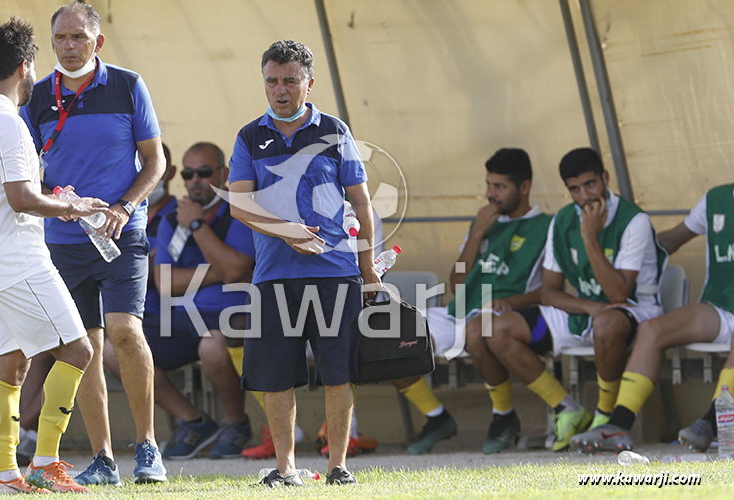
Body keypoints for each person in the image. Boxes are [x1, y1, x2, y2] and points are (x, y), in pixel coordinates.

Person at [0, 17, 107, 494]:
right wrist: (73, 205)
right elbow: (22, 199)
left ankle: (5, 474)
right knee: (79, 349)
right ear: (25, 67)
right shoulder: (8, 122)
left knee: (11, 363)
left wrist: (55, 201)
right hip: (17, 259)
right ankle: (45, 462)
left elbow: (9, 196)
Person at [20, 0, 167, 484]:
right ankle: (103, 460)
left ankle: (147, 448)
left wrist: (123, 209)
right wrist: (56, 200)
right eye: (60, 38)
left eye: (78, 37)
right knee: (79, 348)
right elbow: (24, 179)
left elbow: (155, 162)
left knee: (125, 331)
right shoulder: (37, 97)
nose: (68, 46)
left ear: (97, 41)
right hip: (64, 241)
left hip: (123, 235)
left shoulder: (128, 84)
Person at [228, 40, 381, 486]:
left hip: (336, 272)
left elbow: (362, 204)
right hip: (274, 274)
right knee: (277, 378)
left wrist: (368, 270)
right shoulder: (249, 136)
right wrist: (288, 232)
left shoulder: (335, 129)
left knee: (338, 373)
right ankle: (286, 469)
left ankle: (338, 468)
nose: (280, 89)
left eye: (290, 80)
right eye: (272, 81)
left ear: (309, 83)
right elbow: (239, 204)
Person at [484, 147, 666, 451]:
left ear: (606, 178)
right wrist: (588, 306)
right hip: (586, 311)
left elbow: (619, 293)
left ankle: (604, 415)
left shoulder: (634, 221)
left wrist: (589, 238)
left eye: (591, 184)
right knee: (495, 328)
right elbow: (549, 291)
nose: (585, 196)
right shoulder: (563, 220)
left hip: (635, 311)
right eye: (575, 189)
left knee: (606, 324)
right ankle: (567, 408)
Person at [391, 148, 551, 454]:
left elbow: (549, 288)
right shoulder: (483, 222)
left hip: (504, 320)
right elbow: (457, 283)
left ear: (525, 186)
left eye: (500, 187)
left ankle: (504, 416)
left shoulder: (547, 226)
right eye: (488, 185)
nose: (491, 194)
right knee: (388, 338)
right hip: (458, 314)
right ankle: (437, 418)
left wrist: (513, 303)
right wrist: (476, 235)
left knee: (479, 330)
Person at [105, 142, 256, 459]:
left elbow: (238, 269)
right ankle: (194, 420)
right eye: (189, 174)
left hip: (228, 318)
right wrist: (218, 269)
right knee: (115, 348)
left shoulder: (238, 210)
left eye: (204, 172)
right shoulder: (174, 218)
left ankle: (236, 423)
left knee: (212, 347)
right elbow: (166, 283)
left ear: (224, 174)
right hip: (178, 319)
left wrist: (199, 225)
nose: (195, 180)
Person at [570, 183, 734, 453]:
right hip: (721, 305)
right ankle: (618, 426)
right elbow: (672, 241)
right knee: (652, 330)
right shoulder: (715, 198)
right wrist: (637, 247)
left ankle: (712, 424)